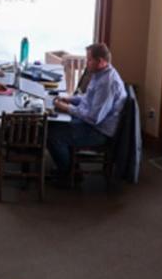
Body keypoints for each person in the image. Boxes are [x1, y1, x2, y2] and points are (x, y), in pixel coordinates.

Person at [47, 42, 125, 183]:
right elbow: (87, 98)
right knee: (53, 124)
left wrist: (67, 108)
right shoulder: (100, 74)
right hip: (91, 123)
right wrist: (69, 99)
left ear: (100, 61)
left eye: (89, 60)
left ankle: (68, 176)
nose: (86, 63)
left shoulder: (107, 83)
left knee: (52, 135)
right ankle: (70, 167)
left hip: (98, 131)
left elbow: (94, 117)